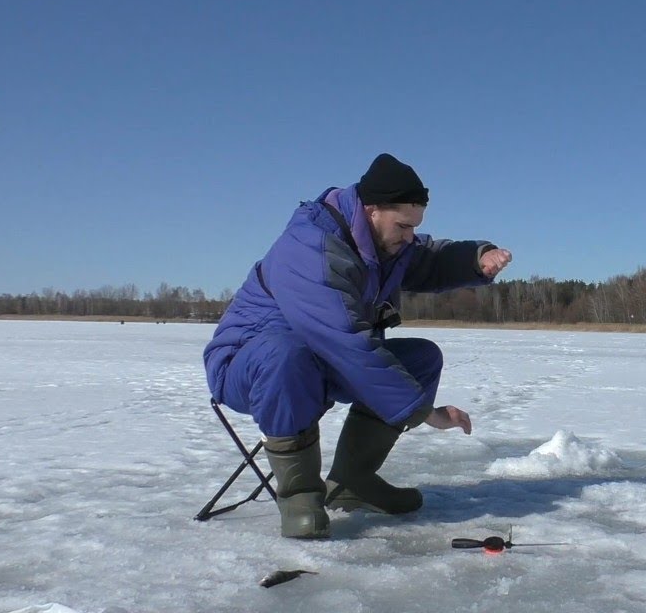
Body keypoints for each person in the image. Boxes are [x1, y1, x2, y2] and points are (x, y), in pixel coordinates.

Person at [203, 153, 512, 539]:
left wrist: (475, 259)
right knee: (286, 354)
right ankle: (300, 496)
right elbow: (346, 342)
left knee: (420, 358)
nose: (409, 235)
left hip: (318, 363)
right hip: (246, 366)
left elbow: (428, 258)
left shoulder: (382, 244)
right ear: (371, 211)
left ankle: (353, 480)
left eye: (414, 227)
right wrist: (426, 413)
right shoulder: (312, 246)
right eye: (403, 225)